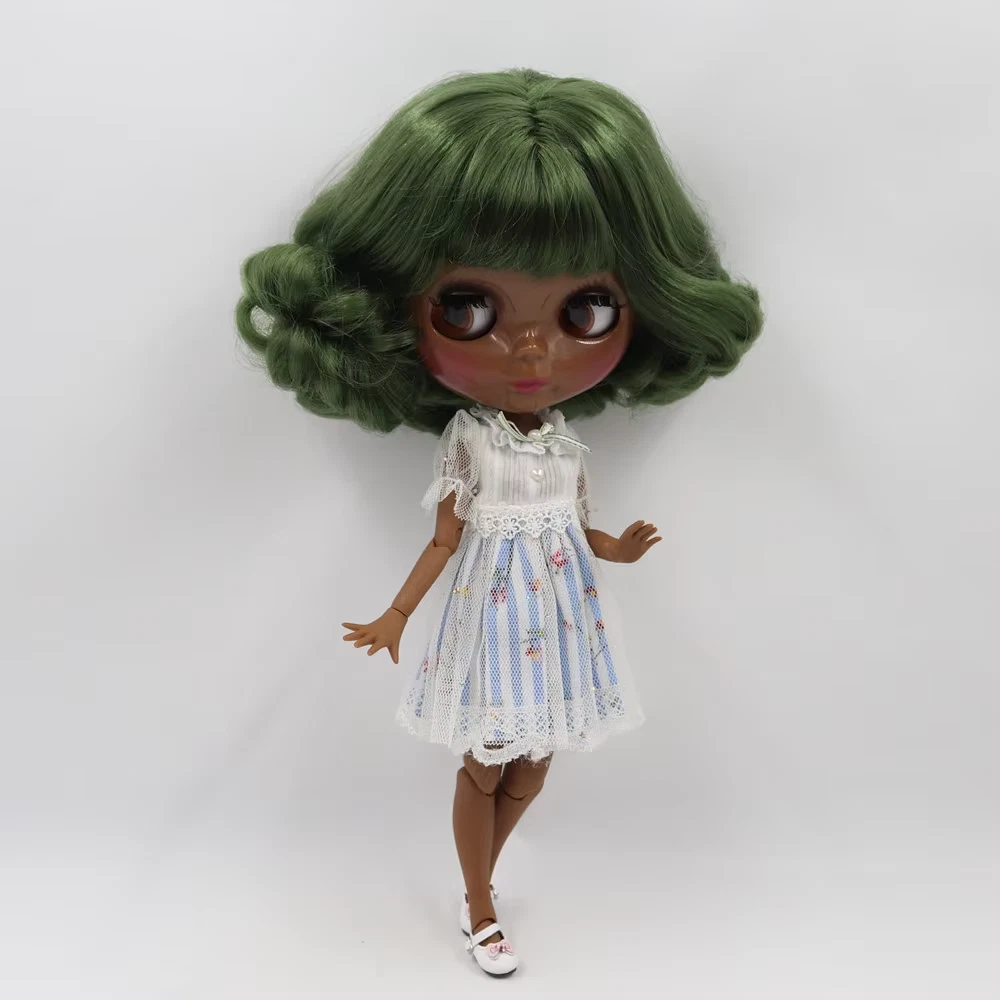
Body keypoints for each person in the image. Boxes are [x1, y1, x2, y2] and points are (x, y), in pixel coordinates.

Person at [236, 67, 761, 977]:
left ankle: (479, 879)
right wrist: (397, 615)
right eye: (468, 309)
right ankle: (479, 903)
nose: (529, 347)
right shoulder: (472, 441)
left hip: (561, 618)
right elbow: (446, 537)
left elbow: (578, 526)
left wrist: (616, 547)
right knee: (484, 763)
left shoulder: (563, 444)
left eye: (584, 310)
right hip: (492, 615)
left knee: (536, 765)